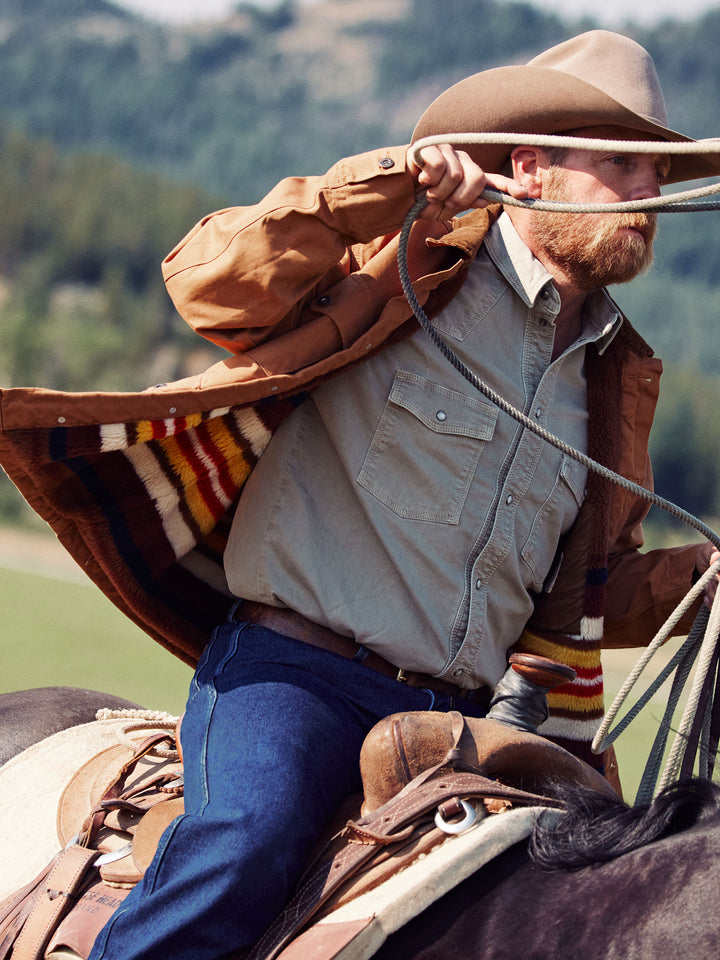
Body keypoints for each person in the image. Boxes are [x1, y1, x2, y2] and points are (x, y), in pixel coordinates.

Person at [25, 28, 720, 960]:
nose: (649, 198)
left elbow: (594, 591)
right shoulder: (405, 262)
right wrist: (380, 186)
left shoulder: (616, 379)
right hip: (295, 676)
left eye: (659, 176)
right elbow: (212, 285)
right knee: (242, 852)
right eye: (625, 168)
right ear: (530, 167)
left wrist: (708, 575)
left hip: (462, 726)